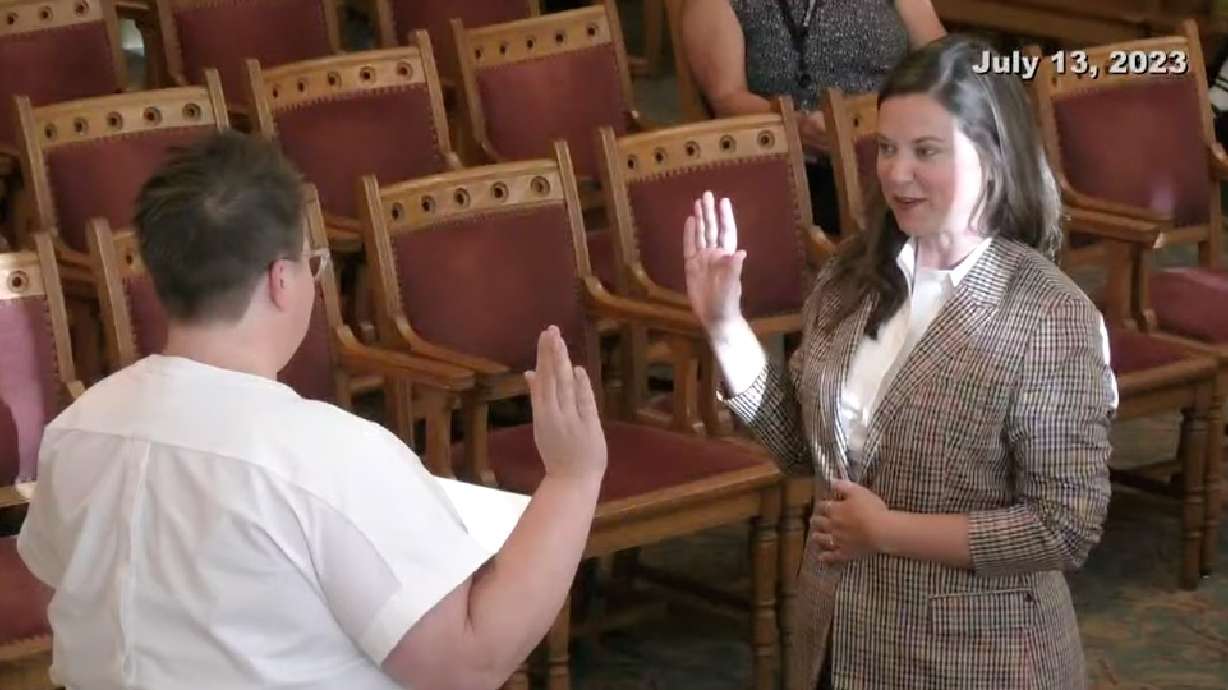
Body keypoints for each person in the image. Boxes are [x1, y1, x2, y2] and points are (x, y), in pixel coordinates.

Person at [16, 131, 608, 690]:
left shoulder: (76, 429)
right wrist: (572, 478)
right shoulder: (328, 457)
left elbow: (63, 598)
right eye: (311, 260)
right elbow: (467, 661)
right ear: (280, 280)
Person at [684, 35, 1117, 690]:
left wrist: (889, 532)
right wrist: (724, 328)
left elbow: (1064, 526)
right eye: (886, 147)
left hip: (977, 662)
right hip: (836, 644)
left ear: (994, 159)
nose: (895, 172)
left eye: (926, 151)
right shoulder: (852, 276)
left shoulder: (1050, 318)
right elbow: (807, 452)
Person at [681, 0, 945, 237]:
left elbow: (942, 65)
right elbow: (727, 98)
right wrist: (797, 126)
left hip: (899, 141)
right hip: (800, 161)